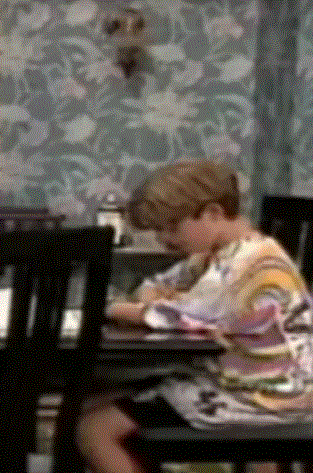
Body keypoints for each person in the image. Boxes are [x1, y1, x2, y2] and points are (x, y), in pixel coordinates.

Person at [78, 160, 313, 473]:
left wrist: (112, 308)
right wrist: (156, 300)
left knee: (94, 428)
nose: (164, 239)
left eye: (172, 227)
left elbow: (174, 316)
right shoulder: (216, 257)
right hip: (250, 383)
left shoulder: (249, 264)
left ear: (213, 213)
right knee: (101, 399)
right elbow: (153, 288)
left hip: (262, 395)